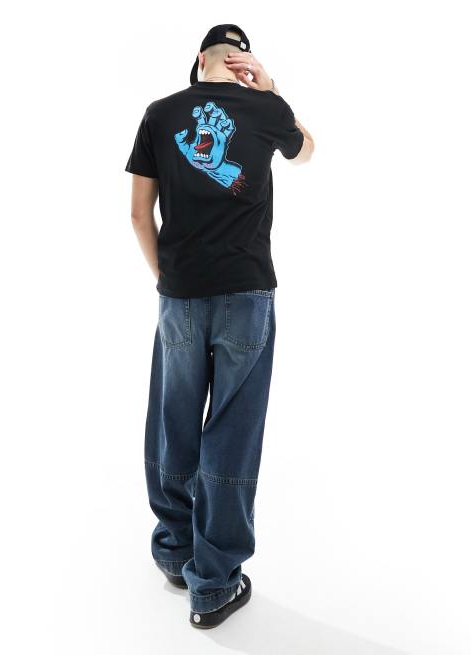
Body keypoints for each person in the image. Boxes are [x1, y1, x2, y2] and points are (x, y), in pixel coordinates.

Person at [125, 24, 314, 629]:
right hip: (247, 294)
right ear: (243, 63)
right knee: (232, 435)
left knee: (173, 422)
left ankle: (175, 551)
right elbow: (306, 150)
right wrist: (272, 90)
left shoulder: (160, 114)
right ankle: (213, 588)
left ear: (199, 59)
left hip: (180, 295)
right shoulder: (267, 109)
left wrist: (166, 280)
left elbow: (138, 215)